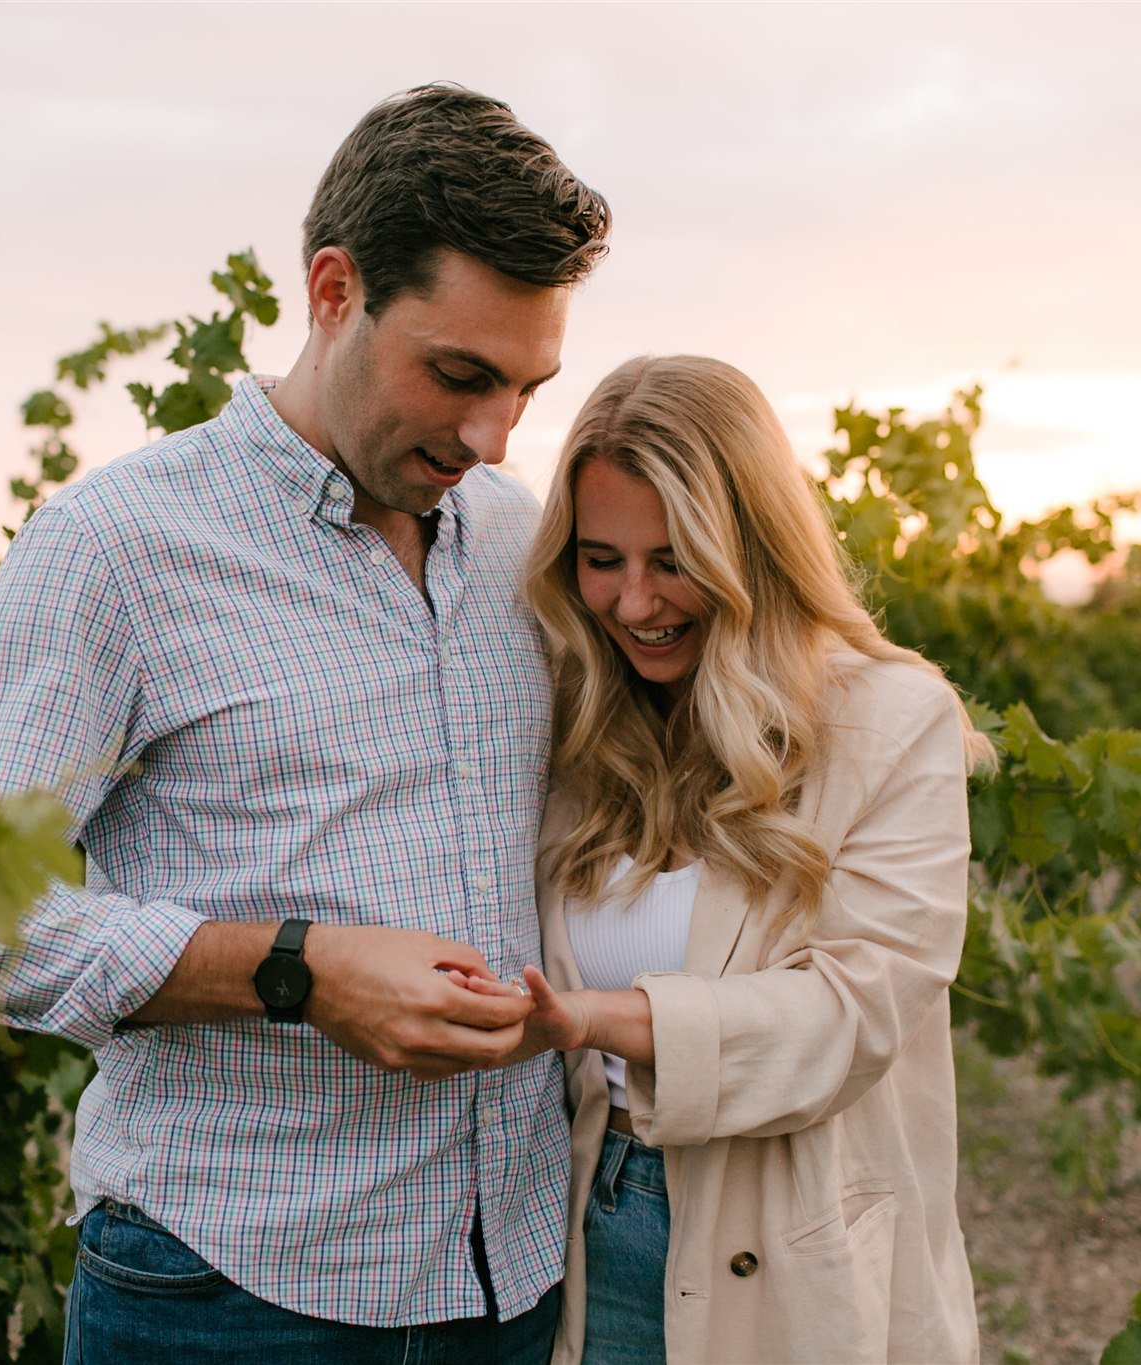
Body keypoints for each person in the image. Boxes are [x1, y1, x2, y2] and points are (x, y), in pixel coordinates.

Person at [0, 84, 609, 1362]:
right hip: (231, 1294)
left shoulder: (518, 538)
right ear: (333, 291)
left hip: (506, 1277)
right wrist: (297, 972)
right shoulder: (115, 549)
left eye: (524, 386)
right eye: (457, 375)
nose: (492, 433)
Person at [469, 354, 987, 1363]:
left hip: (789, 1252)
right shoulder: (580, 723)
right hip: (590, 1230)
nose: (631, 603)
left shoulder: (889, 719)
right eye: (600, 557)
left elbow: (852, 1010)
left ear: (748, 544)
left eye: (671, 558)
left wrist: (589, 1019)